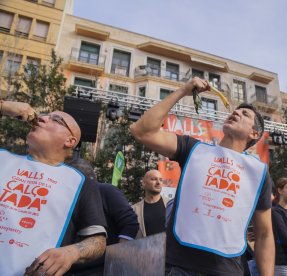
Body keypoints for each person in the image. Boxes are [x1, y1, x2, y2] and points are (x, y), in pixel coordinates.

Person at [130, 77, 275, 275]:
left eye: (245, 114)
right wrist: (184, 90)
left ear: (254, 134)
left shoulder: (258, 173)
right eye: (235, 110)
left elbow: (265, 234)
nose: (236, 113)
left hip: (228, 270)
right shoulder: (193, 149)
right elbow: (142, 131)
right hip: (180, 267)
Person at [0, 100, 106, 276]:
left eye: (55, 119)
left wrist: (71, 253)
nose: (41, 118)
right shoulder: (3, 159)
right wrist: (3, 107)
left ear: (70, 141)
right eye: (44, 116)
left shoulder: (79, 182)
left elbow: (98, 240)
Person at [66, 158, 139, 244]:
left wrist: (119, 251)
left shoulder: (106, 191)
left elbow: (130, 223)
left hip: (106, 253)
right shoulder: (70, 196)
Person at [132, 169, 168, 238]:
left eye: (160, 180)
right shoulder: (134, 210)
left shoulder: (172, 206)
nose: (158, 182)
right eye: (153, 179)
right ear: (144, 183)